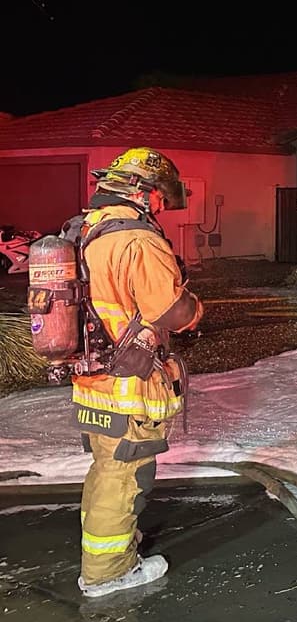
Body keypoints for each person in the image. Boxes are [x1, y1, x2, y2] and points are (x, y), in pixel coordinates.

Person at [68, 147, 204, 596]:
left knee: (106, 468)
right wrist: (195, 309)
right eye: (160, 197)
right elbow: (169, 309)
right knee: (127, 475)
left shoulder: (84, 229)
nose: (162, 206)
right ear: (142, 193)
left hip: (92, 379)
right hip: (130, 381)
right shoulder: (138, 240)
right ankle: (108, 574)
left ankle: (108, 547)